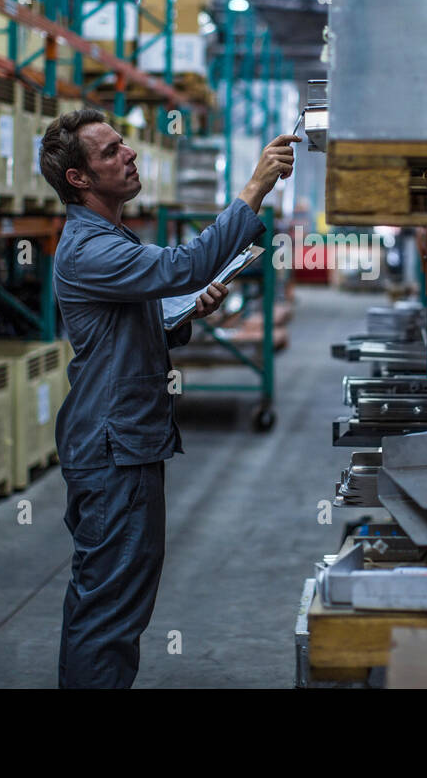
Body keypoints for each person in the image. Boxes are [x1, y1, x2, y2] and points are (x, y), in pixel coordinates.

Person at [39, 108, 296, 688]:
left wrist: (177, 314)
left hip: (124, 439)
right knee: (109, 605)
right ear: (78, 179)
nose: (128, 154)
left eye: (122, 144)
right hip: (113, 446)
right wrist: (254, 188)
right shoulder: (87, 247)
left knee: (114, 595)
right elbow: (185, 265)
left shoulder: (109, 237)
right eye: (109, 152)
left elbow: (135, 315)